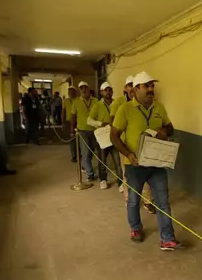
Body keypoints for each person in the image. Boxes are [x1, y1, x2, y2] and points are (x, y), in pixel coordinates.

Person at [110, 71, 181, 250]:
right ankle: (135, 228)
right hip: (135, 165)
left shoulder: (159, 107)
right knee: (134, 200)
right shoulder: (125, 109)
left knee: (163, 201)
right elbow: (114, 135)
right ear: (135, 90)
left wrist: (164, 132)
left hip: (156, 163)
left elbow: (170, 129)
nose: (151, 89)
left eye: (152, 86)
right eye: (147, 86)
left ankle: (167, 238)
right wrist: (128, 154)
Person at [89, 82, 123, 190]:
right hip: (103, 137)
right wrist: (101, 124)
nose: (108, 92)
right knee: (102, 160)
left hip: (115, 135)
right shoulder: (97, 105)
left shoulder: (117, 103)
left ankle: (121, 182)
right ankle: (103, 180)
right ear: (101, 92)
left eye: (110, 90)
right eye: (105, 90)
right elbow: (89, 120)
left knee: (118, 161)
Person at [71, 81, 99, 182]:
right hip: (82, 130)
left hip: (94, 130)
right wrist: (72, 129)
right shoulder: (76, 101)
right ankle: (90, 173)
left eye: (85, 87)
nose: (84, 90)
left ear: (88, 88)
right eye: (81, 88)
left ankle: (85, 165)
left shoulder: (96, 101)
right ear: (79, 90)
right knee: (85, 152)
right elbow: (73, 116)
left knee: (92, 150)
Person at [62, 86, 78, 162]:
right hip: (69, 122)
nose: (71, 93)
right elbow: (63, 112)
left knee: (79, 139)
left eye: (72, 91)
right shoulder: (66, 101)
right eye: (69, 92)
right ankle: (74, 155)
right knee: (72, 139)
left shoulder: (79, 100)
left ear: (75, 92)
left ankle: (79, 154)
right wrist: (63, 123)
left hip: (78, 122)